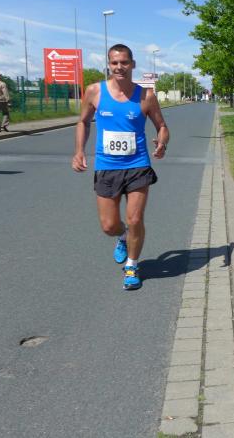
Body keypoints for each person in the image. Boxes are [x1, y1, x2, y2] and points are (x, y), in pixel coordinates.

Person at [72, 44, 170, 290]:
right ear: (109, 65)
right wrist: (79, 151)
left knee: (135, 218)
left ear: (132, 64)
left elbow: (161, 126)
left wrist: (162, 143)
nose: (119, 67)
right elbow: (83, 122)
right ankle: (123, 236)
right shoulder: (95, 91)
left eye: (124, 62)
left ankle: (132, 265)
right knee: (109, 226)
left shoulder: (146, 96)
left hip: (138, 165)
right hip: (107, 166)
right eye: (114, 63)